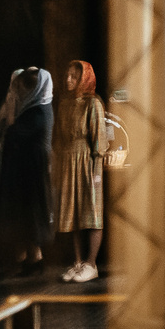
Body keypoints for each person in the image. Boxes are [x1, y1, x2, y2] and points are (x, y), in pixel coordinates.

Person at [53, 59, 109, 282]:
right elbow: (58, 137)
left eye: (74, 77)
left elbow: (99, 141)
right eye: (67, 75)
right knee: (72, 213)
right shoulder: (65, 104)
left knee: (91, 213)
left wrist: (96, 174)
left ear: (83, 79)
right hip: (69, 162)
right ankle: (77, 262)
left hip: (87, 161)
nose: (68, 80)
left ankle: (91, 263)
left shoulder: (93, 103)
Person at [0, 66, 55, 274]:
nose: (18, 93)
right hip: (24, 169)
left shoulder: (38, 112)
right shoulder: (31, 109)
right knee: (24, 215)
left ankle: (34, 260)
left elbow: (12, 132)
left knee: (31, 214)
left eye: (21, 89)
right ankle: (28, 258)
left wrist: (11, 107)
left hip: (32, 171)